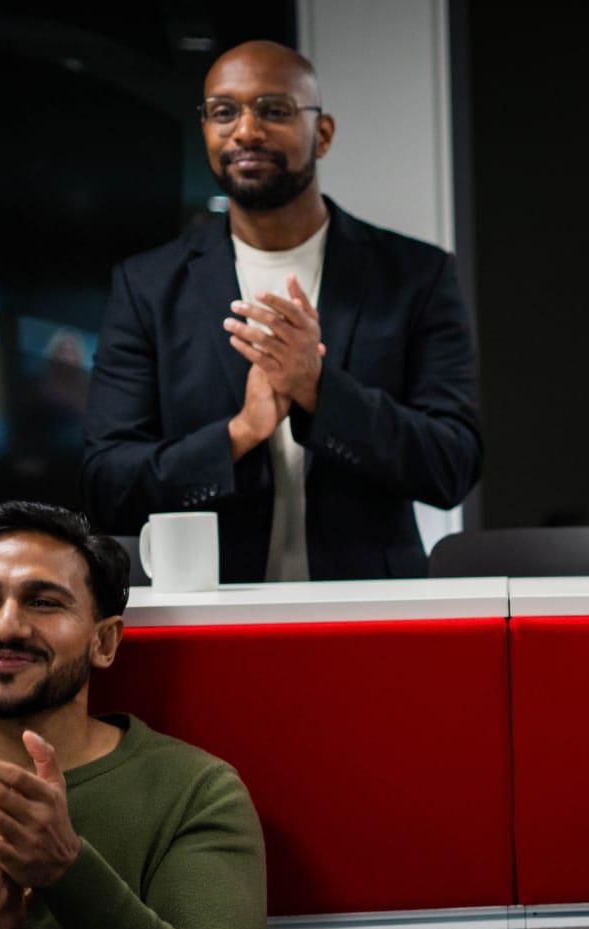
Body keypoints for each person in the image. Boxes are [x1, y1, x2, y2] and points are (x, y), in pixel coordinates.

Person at [82, 40, 482, 583]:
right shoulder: (147, 286)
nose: (246, 130)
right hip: (205, 614)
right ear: (205, 130)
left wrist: (320, 392)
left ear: (322, 133)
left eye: (274, 109)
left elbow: (452, 466)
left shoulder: (416, 275)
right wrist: (241, 432)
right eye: (224, 112)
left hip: (372, 615)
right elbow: (107, 484)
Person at [0, 502, 266, 929]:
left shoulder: (194, 789)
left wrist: (67, 867)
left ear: (105, 642)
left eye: (43, 602)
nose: (6, 626)